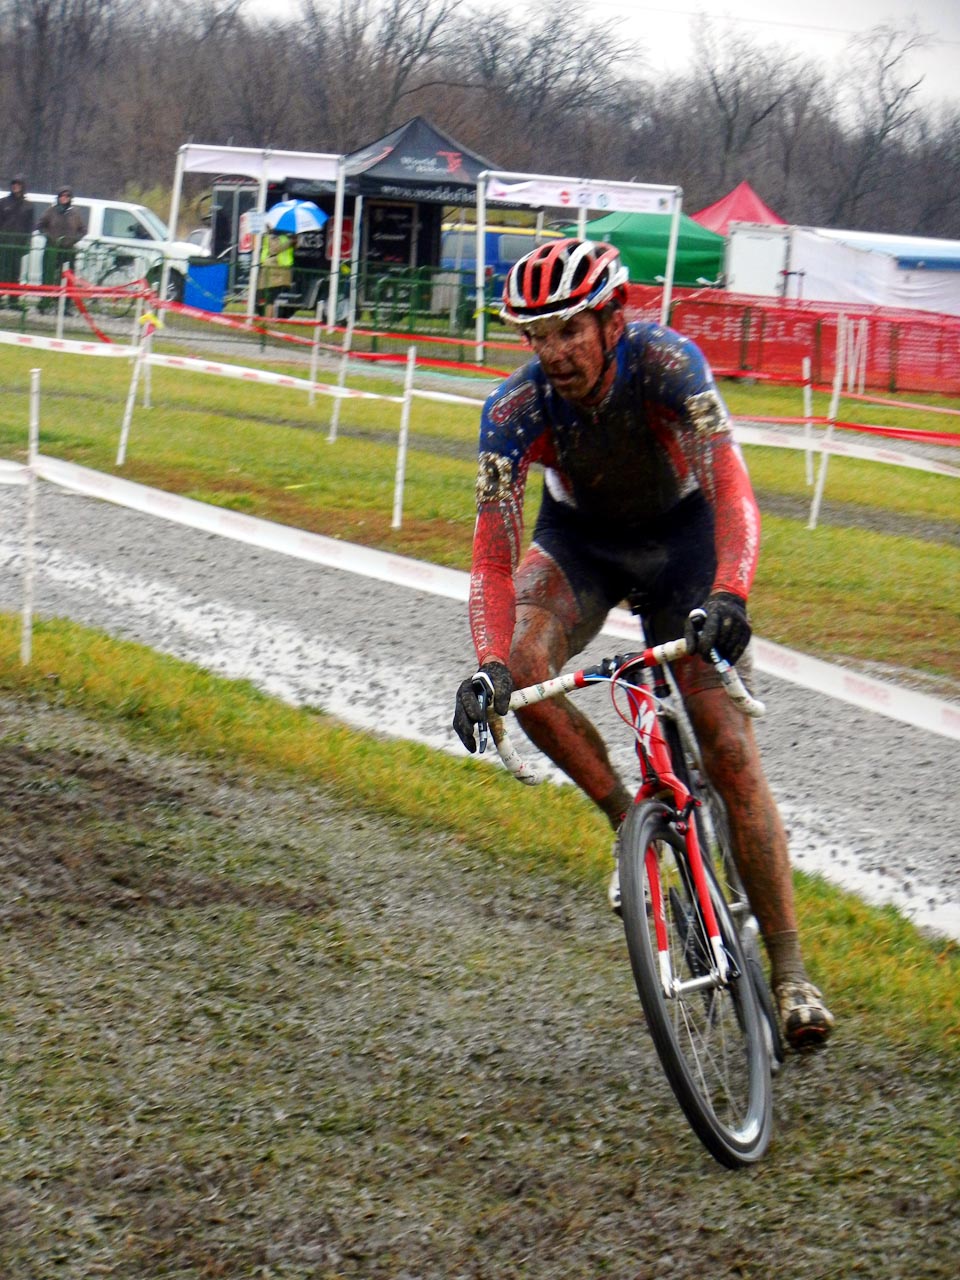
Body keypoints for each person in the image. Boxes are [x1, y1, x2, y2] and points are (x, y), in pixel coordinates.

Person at [452, 238, 833, 1051]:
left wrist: (731, 593)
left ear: (612, 319)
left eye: (568, 331)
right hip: (582, 545)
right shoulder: (513, 411)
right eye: (536, 335)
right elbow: (493, 551)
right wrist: (485, 662)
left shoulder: (669, 364)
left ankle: (793, 968)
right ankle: (635, 832)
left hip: (686, 546)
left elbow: (730, 484)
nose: (552, 353)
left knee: (728, 748)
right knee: (523, 671)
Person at [37, 187, 86, 309]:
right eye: (62, 196)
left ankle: (65, 305)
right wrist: (49, 237)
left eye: (67, 196)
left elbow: (83, 230)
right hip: (53, 249)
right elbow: (40, 225)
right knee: (49, 277)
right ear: (58, 197)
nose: (64, 198)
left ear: (70, 198)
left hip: (68, 250)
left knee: (68, 278)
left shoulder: (75, 213)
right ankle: (45, 303)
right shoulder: (51, 211)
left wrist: (73, 239)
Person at [0, 177, 34, 303]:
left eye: (18, 184)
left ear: (22, 186)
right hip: (3, 243)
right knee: (2, 272)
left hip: (18, 243)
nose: (15, 186)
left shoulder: (29, 206)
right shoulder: (3, 202)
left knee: (15, 272)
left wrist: (27, 243)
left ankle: (13, 300)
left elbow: (30, 226)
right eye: (13, 184)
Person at [257, 229, 295, 318]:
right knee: (270, 297)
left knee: (273, 297)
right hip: (273, 268)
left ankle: (270, 318)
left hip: (281, 269)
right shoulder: (272, 236)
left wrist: (295, 241)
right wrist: (290, 242)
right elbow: (275, 249)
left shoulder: (284, 236)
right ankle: (268, 319)